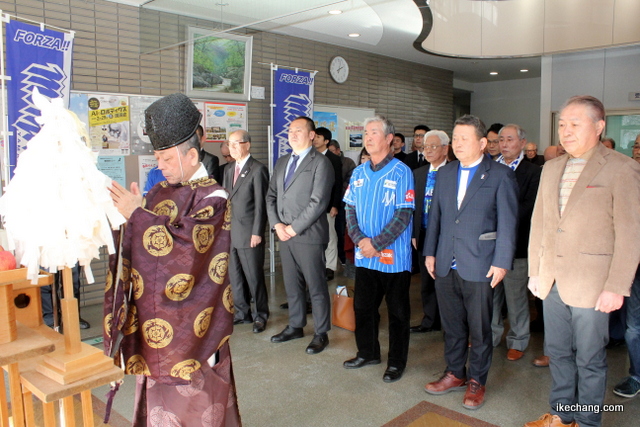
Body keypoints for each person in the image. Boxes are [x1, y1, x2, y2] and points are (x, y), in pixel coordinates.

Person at [105, 93, 240, 425]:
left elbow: (188, 249)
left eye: (165, 159)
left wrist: (137, 216)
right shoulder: (155, 194)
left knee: (198, 408)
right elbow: (140, 247)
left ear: (192, 154)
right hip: (156, 331)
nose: (160, 167)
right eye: (157, 158)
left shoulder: (214, 197)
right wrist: (126, 219)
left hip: (195, 330)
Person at [525, 96, 640, 427]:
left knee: (590, 359)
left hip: (593, 284)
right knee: (558, 353)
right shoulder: (551, 167)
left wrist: (617, 286)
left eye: (575, 124)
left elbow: (631, 235)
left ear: (599, 125)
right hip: (552, 280)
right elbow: (540, 225)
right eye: (562, 124)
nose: (566, 130)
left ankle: (588, 422)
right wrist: (536, 272)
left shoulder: (622, 168)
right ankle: (562, 417)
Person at [423, 114, 518, 410]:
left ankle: (477, 379)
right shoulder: (447, 172)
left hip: (480, 263)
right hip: (445, 262)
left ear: (481, 143)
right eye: (456, 138)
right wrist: (430, 252)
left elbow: (508, 223)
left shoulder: (500, 175)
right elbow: (435, 217)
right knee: (451, 324)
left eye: (465, 139)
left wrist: (501, 262)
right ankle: (454, 373)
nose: (458, 144)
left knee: (479, 328)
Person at [342, 115, 414, 383]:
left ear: (388, 140)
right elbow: (349, 208)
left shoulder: (401, 171)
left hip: (393, 258)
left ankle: (396, 362)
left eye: (374, 132)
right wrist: (361, 240)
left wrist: (376, 243)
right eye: (365, 132)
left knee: (397, 313)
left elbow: (404, 214)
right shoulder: (358, 172)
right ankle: (368, 352)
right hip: (365, 257)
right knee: (363, 308)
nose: (368, 137)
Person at [266, 116, 334, 354]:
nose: (292, 134)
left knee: (315, 286)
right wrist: (277, 225)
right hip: (284, 234)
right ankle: (295, 325)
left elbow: (318, 202)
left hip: (308, 234)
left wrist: (293, 228)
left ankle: (321, 332)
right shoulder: (283, 161)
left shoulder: (321, 163)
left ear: (311, 134)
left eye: (298, 130)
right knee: (292, 285)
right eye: (290, 130)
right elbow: (271, 196)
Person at [491, 125, 541, 361]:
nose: (504, 144)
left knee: (515, 295)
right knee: (489, 295)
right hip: (488, 243)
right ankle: (490, 335)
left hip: (517, 243)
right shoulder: (489, 167)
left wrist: (500, 222)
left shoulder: (532, 171)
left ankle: (518, 339)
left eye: (509, 139)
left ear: (522, 143)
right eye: (501, 139)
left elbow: (528, 207)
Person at [223, 129, 270, 333]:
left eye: (236, 143)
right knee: (235, 276)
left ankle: (261, 314)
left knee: (254, 277)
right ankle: (242, 313)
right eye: (230, 144)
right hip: (231, 232)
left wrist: (257, 232)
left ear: (247, 145)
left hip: (250, 232)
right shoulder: (227, 169)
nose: (231, 148)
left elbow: (262, 205)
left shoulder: (258, 169)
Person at [410, 130, 449, 334]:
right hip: (424, 234)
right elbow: (414, 206)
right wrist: (414, 233)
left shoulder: (454, 171)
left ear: (445, 148)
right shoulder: (419, 173)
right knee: (426, 280)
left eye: (434, 146)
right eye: (426, 147)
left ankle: (449, 323)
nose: (429, 150)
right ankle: (429, 320)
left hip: (445, 236)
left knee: (445, 281)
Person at [314, 127, 343, 281]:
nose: (315, 139)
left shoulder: (333, 159)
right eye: (314, 136)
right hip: (312, 206)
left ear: (326, 141)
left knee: (330, 236)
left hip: (328, 205)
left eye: (318, 137)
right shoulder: (310, 156)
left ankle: (330, 267)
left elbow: (337, 184)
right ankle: (318, 265)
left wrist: (335, 205)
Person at [327, 139, 356, 265]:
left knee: (342, 231)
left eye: (333, 151)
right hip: (331, 202)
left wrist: (338, 191)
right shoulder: (324, 162)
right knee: (332, 232)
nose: (331, 154)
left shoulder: (348, 162)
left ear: (338, 151)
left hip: (344, 202)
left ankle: (344, 258)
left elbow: (350, 182)